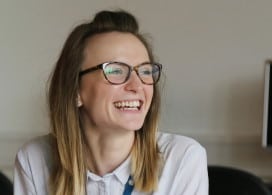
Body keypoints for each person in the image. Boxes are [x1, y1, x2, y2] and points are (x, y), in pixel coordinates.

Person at [13, 9, 208, 195]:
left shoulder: (182, 159)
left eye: (145, 71)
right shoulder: (34, 159)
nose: (137, 85)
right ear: (74, 91)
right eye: (116, 71)